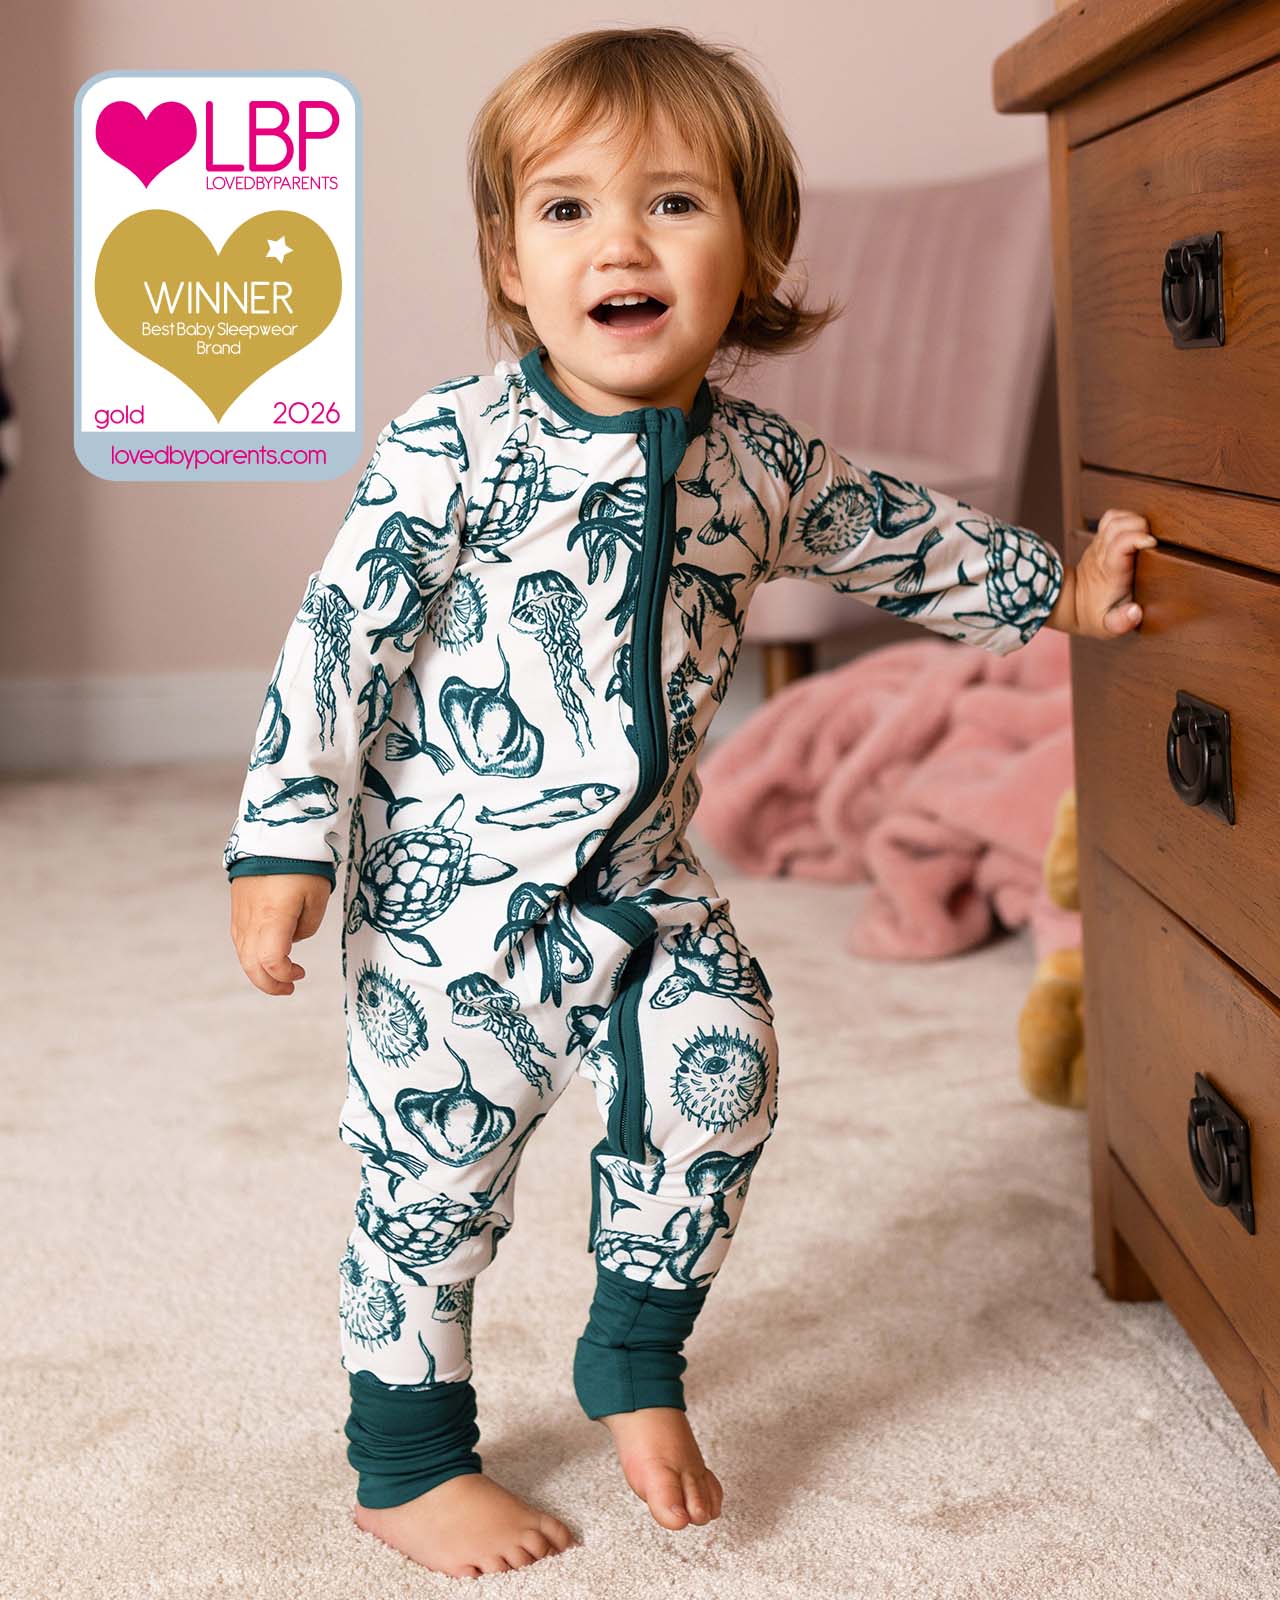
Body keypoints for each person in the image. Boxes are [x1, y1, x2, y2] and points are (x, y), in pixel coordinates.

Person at [225, 24, 1155, 1581]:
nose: (622, 243)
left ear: (753, 254)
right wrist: (282, 839)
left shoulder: (759, 465)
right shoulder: (452, 446)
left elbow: (901, 536)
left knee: (724, 1070)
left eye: (674, 202)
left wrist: (1055, 590)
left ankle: (634, 1352)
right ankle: (407, 1459)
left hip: (647, 885)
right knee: (432, 1182)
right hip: (451, 904)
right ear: (510, 262)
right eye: (568, 208)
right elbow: (340, 638)